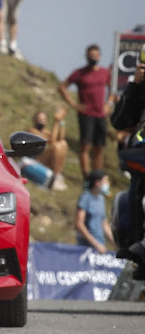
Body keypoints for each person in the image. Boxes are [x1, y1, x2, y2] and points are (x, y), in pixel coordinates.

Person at [110, 44, 145, 279]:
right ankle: (136, 246)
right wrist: (134, 84)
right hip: (142, 153)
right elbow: (119, 121)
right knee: (136, 193)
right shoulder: (139, 89)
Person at [58, 44, 114, 178]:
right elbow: (62, 87)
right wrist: (74, 104)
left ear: (99, 56)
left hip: (100, 114)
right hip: (86, 114)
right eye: (91, 56)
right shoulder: (79, 73)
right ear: (86, 56)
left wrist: (109, 104)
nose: (93, 57)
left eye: (95, 55)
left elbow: (112, 90)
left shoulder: (105, 72)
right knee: (85, 146)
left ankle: (98, 177)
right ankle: (87, 177)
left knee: (99, 147)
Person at [27, 107, 69, 191]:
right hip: (35, 161)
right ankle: (55, 177)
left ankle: (57, 176)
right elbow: (52, 141)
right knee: (55, 147)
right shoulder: (32, 131)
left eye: (43, 119)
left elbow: (61, 138)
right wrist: (56, 121)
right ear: (34, 120)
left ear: (46, 121)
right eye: (39, 119)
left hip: (45, 160)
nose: (41, 121)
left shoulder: (46, 132)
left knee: (63, 144)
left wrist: (61, 121)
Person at [75, 170, 114, 254]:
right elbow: (79, 224)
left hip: (100, 246)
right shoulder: (86, 198)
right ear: (97, 183)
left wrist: (116, 243)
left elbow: (104, 224)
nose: (108, 183)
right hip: (86, 247)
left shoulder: (101, 199)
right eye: (105, 181)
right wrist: (96, 244)